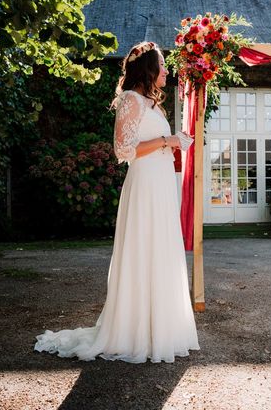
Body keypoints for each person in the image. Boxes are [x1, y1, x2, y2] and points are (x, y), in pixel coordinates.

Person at [34, 42, 199, 363]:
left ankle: (159, 329)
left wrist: (175, 143)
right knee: (144, 250)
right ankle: (133, 331)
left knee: (161, 251)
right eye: (162, 66)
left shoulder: (154, 105)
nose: (167, 71)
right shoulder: (131, 101)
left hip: (161, 184)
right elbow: (124, 150)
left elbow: (150, 144)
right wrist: (168, 140)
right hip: (145, 187)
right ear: (149, 70)